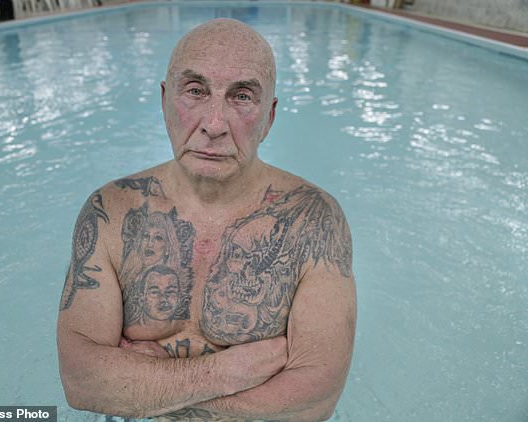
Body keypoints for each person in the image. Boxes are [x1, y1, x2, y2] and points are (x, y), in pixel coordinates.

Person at [57, 18, 357, 422]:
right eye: (195, 91)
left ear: (269, 117)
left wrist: (144, 388)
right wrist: (226, 371)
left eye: (242, 97)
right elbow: (81, 381)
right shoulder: (111, 212)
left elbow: (314, 401)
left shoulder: (313, 221)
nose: (214, 125)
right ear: (165, 101)